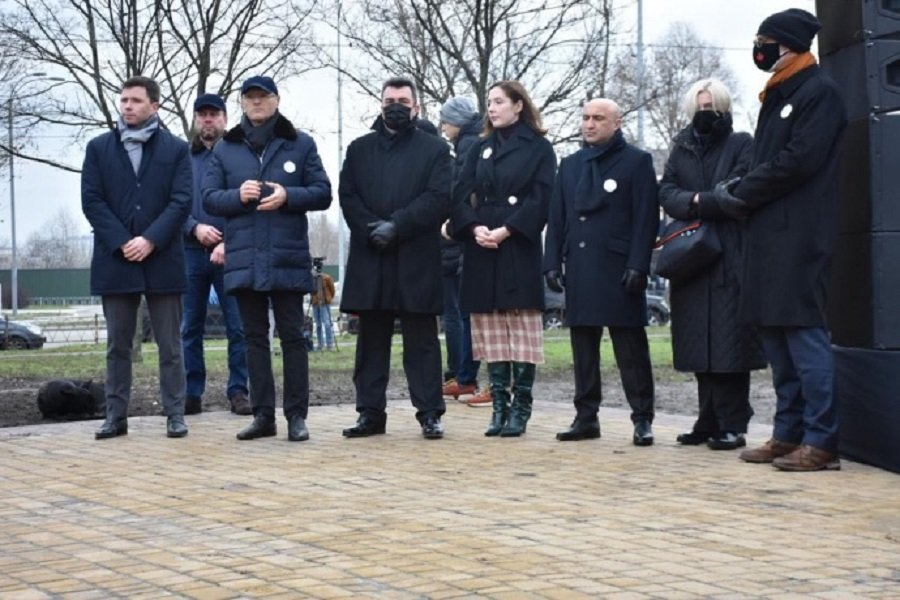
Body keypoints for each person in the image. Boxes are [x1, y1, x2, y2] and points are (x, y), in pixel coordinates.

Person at [713, 9, 847, 471]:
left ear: (789, 44)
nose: (759, 48)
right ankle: (788, 433)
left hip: (801, 235)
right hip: (768, 235)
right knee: (775, 339)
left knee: (804, 337)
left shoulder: (819, 92)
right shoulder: (777, 94)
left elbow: (799, 160)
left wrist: (743, 190)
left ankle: (822, 439)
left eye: (765, 40)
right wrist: (740, 188)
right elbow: (767, 160)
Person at [203, 75, 332, 442]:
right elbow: (209, 197)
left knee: (292, 337)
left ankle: (296, 416)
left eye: (263, 97)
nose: (257, 103)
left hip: (287, 256)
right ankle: (263, 415)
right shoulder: (225, 149)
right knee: (253, 338)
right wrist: (236, 196)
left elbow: (323, 193)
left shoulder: (300, 143)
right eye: (250, 98)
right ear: (242, 103)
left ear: (276, 100)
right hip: (243, 257)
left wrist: (288, 196)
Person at [339, 76, 451, 440]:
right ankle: (370, 413)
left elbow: (438, 197)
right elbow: (348, 196)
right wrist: (373, 227)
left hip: (416, 256)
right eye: (390, 100)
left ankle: (430, 412)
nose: (396, 106)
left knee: (421, 341)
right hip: (371, 254)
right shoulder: (359, 149)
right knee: (371, 340)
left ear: (416, 107)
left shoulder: (435, 150)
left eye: (403, 100)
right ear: (380, 104)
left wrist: (397, 226)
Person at [658, 79, 767, 450]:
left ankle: (734, 422)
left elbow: (738, 192)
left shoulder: (742, 144)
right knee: (699, 346)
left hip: (729, 255)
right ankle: (707, 420)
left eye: (712, 106)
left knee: (729, 345)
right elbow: (667, 192)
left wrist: (695, 202)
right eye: (700, 106)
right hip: (691, 259)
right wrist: (703, 200)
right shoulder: (682, 146)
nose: (706, 113)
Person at [81, 76, 192, 440]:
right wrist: (123, 241)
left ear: (154, 106)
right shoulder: (99, 148)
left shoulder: (176, 149)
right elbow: (92, 201)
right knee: (117, 345)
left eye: (135, 101)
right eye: (124, 100)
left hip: (163, 260)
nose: (127, 106)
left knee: (170, 345)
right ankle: (116, 416)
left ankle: (175, 413)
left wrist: (151, 240)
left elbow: (181, 201)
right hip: (116, 260)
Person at [544, 99, 659, 446]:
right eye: (585, 118)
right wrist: (551, 262)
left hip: (619, 269)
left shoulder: (637, 162)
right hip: (580, 267)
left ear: (616, 122)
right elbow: (557, 217)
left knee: (630, 348)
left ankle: (642, 418)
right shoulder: (571, 164)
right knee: (583, 346)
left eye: (598, 118)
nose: (589, 124)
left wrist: (639, 264)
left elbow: (646, 218)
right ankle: (586, 416)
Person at [450, 81, 556, 437]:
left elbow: (542, 199)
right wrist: (473, 227)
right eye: (489, 103)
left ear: (518, 106)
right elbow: (460, 194)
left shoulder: (540, 148)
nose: (491, 109)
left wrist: (508, 230)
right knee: (490, 328)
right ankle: (498, 406)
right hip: (482, 247)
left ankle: (520, 407)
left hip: (518, 245)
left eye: (498, 102)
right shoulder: (480, 148)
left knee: (521, 327)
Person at [181, 93, 251, 416]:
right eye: (202, 115)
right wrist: (194, 228)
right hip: (191, 253)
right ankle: (191, 392)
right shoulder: (182, 159)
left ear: (225, 118)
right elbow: (172, 204)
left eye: (214, 114)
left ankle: (238, 390)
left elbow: (246, 202)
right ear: (196, 120)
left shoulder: (238, 156)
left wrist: (227, 242)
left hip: (231, 253)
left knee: (238, 327)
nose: (208, 120)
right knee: (189, 327)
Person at [438, 97, 490, 406]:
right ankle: (465, 376)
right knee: (463, 313)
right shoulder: (470, 144)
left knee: (464, 313)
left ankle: (466, 377)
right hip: (463, 238)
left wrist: (453, 224)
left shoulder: (468, 148)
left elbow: (463, 190)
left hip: (462, 240)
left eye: (446, 121)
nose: (443, 127)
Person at [310, 257, 336, 351]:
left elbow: (332, 290)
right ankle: (320, 344)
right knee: (318, 324)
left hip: (324, 303)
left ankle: (329, 344)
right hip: (315, 303)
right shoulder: (312, 278)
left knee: (327, 323)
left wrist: (328, 299)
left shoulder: (326, 278)